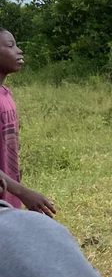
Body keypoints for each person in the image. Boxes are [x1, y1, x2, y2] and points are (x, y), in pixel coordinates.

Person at [0, 28, 55, 216]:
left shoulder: (6, 94)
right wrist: (24, 193)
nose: (19, 50)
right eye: (10, 45)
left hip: (9, 197)